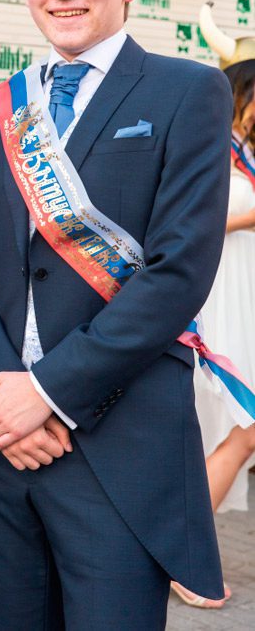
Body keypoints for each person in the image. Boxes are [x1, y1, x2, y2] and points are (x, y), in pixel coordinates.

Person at [0, 0, 232, 630]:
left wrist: (47, 392)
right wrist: (5, 402)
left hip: (119, 445)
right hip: (4, 446)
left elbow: (178, 271)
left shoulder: (189, 91)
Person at [171, 48, 255, 608]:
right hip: (215, 307)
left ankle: (180, 551)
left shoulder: (243, 154)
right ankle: (184, 558)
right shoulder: (210, 149)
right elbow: (194, 223)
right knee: (244, 429)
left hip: (241, 302)